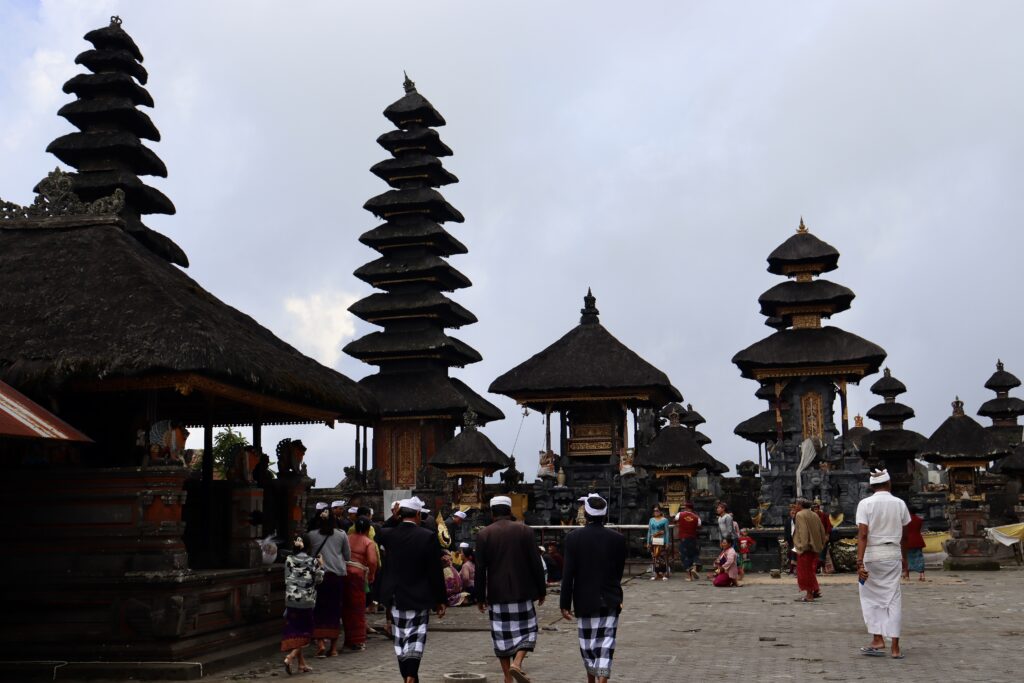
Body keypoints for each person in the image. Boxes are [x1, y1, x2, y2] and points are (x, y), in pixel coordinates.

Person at [475, 495, 547, 683]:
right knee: (528, 630)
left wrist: (480, 596)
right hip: (523, 591)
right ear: (510, 512)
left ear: (492, 513)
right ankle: (518, 662)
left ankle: (508, 676)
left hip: (497, 593)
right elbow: (536, 564)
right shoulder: (525, 531)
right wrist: (541, 590)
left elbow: (480, 569)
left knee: (502, 636)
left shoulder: (484, 534)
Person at [377, 498, 447, 683]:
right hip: (419, 593)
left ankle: (409, 676)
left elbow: (379, 532)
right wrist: (440, 599)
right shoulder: (427, 536)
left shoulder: (389, 534)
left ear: (400, 514)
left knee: (400, 637)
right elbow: (435, 571)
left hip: (396, 594)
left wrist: (394, 518)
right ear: (418, 515)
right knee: (416, 635)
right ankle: (411, 675)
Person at [560, 494, 627, 683]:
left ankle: (593, 679)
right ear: (604, 515)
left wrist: (564, 603)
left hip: (584, 598)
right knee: (606, 643)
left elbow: (568, 574)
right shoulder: (618, 539)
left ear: (586, 514)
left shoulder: (573, 538)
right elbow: (618, 571)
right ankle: (601, 680)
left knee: (587, 644)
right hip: (610, 597)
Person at [856, 469, 911, 659]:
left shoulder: (865, 504)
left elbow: (863, 535)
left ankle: (877, 638)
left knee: (870, 598)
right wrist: (905, 561)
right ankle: (895, 647)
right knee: (893, 598)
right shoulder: (900, 504)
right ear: (889, 484)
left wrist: (859, 563)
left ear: (871, 486)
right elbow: (905, 537)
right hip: (893, 554)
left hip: (871, 556)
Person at [306, 506, 351, 656]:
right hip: (336, 576)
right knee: (334, 610)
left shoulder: (311, 535)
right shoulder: (341, 534)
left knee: (318, 609)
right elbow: (347, 556)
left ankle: (319, 642)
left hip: (318, 577)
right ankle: (333, 648)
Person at [282, 537, 324, 675]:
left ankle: (301, 664)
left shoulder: (288, 559)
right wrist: (321, 566)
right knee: (306, 632)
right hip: (306, 601)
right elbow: (318, 580)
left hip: (291, 599)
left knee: (295, 631)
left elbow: (287, 578)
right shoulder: (313, 561)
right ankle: (291, 657)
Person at [343, 516, 378, 652]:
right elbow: (373, 561)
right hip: (357, 575)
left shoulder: (347, 537)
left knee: (346, 608)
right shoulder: (368, 542)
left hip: (344, 573)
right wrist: (372, 574)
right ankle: (357, 640)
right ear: (369, 529)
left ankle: (348, 639)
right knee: (358, 608)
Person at [793, 498, 826, 602]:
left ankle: (809, 595)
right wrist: (820, 543)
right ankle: (815, 590)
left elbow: (803, 531)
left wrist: (802, 545)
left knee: (804, 572)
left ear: (800, 505)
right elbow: (822, 530)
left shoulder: (800, 515)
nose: (795, 506)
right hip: (815, 547)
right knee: (810, 570)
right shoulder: (815, 514)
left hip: (805, 547)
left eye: (796, 504)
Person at [674, 502, 702, 581]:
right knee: (693, 554)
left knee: (684, 556)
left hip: (683, 538)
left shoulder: (680, 514)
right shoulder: (697, 517)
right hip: (693, 538)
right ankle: (694, 568)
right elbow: (699, 526)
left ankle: (689, 576)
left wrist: (679, 525)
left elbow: (675, 520)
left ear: (686, 508)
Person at [646, 505, 670, 580]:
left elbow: (666, 532)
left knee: (661, 556)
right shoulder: (651, 520)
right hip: (653, 540)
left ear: (660, 511)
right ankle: (656, 573)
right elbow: (649, 531)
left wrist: (667, 542)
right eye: (654, 511)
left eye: (657, 511)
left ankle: (663, 573)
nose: (655, 512)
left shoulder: (664, 520)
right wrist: (648, 542)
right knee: (654, 557)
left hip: (661, 539)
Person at [904, 506, 926, 581]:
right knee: (919, 557)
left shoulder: (906, 520)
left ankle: (907, 575)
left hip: (908, 540)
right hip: (918, 539)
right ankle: (922, 575)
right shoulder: (919, 520)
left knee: (906, 557)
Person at [812, 499, 833, 573]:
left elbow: (829, 526)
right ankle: (815, 568)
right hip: (813, 538)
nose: (816, 510)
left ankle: (822, 566)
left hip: (823, 538)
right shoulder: (810, 517)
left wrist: (827, 535)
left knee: (823, 551)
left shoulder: (824, 515)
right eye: (814, 509)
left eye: (817, 509)